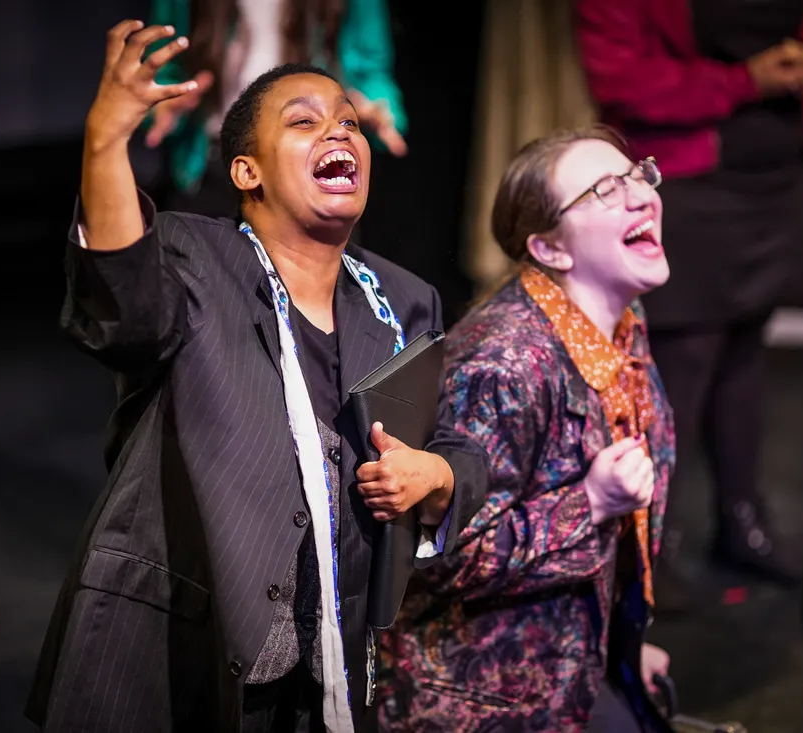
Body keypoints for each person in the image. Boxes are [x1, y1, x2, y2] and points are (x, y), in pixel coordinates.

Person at [25, 21, 486, 733]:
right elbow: (122, 310)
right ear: (248, 171)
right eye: (304, 122)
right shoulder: (192, 256)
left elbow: (456, 440)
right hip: (176, 657)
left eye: (348, 122)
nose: (339, 132)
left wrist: (439, 477)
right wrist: (105, 141)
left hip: (324, 670)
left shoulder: (401, 299)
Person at [378, 127, 676, 732]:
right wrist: (588, 503)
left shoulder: (623, 322)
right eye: (604, 190)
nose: (641, 196)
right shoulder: (503, 365)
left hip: (577, 659)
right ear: (550, 251)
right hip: (483, 694)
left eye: (639, 175)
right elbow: (436, 560)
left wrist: (620, 643)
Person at [575, 0, 803, 599]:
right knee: (683, 357)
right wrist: (745, 81)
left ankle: (741, 520)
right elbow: (619, 74)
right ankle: (648, 543)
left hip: (774, 176)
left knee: (746, 344)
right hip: (687, 178)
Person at [143, 0, 408, 219]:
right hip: (207, 165)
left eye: (348, 124)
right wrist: (165, 102)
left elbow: (371, 69)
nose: (342, 133)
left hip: (310, 169)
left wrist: (377, 108)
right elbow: (164, 69)